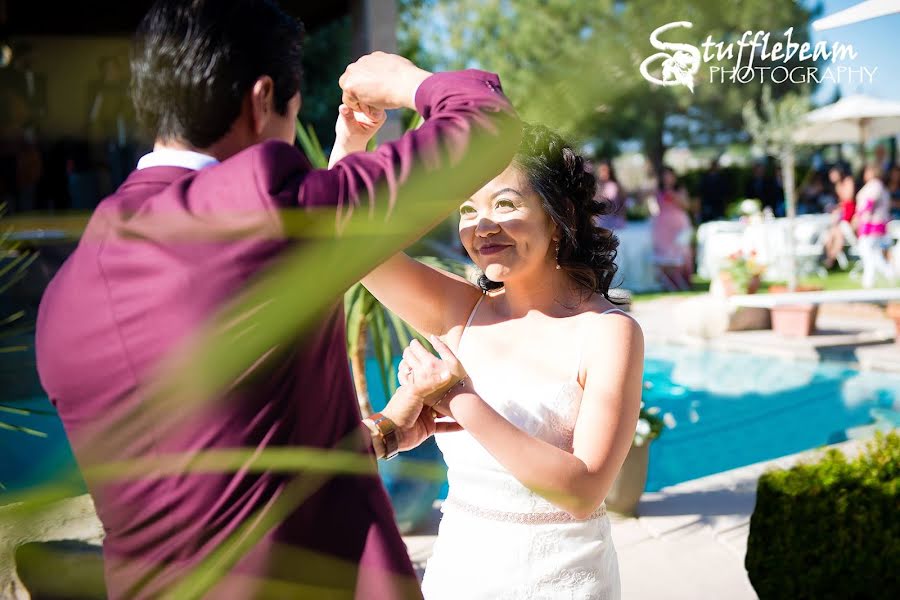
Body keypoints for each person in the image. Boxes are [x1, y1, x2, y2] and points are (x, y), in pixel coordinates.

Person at [34, 0, 520, 597]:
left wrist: (390, 426)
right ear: (261, 100)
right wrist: (402, 80)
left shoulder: (69, 289)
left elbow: (234, 459)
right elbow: (483, 119)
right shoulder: (260, 212)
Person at [331, 122, 644, 599]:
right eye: (467, 209)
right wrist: (351, 143)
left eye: (504, 204)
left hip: (563, 584)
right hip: (459, 576)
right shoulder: (461, 313)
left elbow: (584, 491)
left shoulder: (608, 333)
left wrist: (458, 400)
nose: (482, 226)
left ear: (560, 217)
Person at [652, 166, 694, 291]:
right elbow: (654, 207)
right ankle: (670, 282)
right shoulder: (658, 190)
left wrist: (674, 196)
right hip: (663, 226)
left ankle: (684, 281)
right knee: (665, 255)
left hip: (679, 225)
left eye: (669, 175)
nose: (667, 178)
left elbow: (686, 206)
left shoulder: (680, 189)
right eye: (664, 176)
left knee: (682, 252)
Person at [855, 164, 896, 288]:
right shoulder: (879, 186)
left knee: (866, 252)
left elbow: (868, 204)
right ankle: (888, 274)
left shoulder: (875, 185)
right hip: (875, 224)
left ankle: (869, 280)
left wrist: (859, 217)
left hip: (872, 225)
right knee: (874, 254)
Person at [822, 169, 856, 270]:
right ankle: (831, 257)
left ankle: (830, 260)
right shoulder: (837, 185)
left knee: (838, 234)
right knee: (830, 235)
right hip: (843, 214)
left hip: (850, 214)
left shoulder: (848, 181)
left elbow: (848, 198)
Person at [595, 159, 625, 230]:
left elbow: (610, 201)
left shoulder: (613, 185)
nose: (602, 173)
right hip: (600, 222)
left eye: (604, 170)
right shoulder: (597, 185)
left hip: (613, 223)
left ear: (610, 172)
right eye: (601, 170)